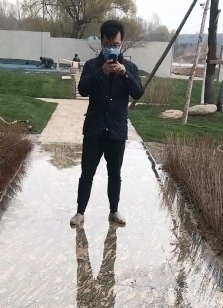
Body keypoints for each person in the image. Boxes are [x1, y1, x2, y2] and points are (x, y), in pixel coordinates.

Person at [70, 19, 143, 228]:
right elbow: (83, 89)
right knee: (87, 173)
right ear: (101, 43)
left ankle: (114, 211)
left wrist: (125, 74)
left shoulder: (130, 68)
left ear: (122, 43)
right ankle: (80, 212)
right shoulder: (91, 66)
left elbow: (138, 92)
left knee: (115, 174)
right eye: (108, 44)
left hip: (116, 130)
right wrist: (101, 72)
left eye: (116, 44)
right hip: (94, 129)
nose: (112, 48)